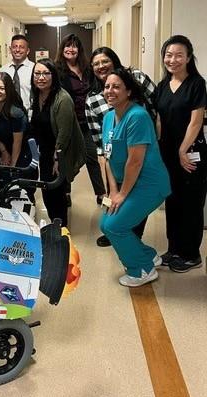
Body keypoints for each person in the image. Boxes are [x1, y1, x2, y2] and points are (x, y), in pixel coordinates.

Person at [100, 68, 171, 287]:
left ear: (129, 91)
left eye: (116, 87)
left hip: (150, 184)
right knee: (106, 223)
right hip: (127, 184)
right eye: (107, 86)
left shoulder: (137, 116)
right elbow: (108, 156)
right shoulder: (109, 117)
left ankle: (142, 270)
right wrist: (113, 191)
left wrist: (122, 194)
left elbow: (135, 161)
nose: (110, 91)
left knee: (114, 225)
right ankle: (148, 255)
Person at [86, 46, 156, 247]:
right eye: (96, 64)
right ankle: (115, 229)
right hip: (114, 157)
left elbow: (157, 101)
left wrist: (157, 123)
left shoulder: (136, 78)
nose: (101, 66)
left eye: (105, 61)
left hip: (142, 150)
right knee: (113, 192)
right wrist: (103, 161)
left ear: (114, 60)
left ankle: (134, 235)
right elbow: (98, 137)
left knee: (137, 194)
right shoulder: (94, 98)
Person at [154, 35, 207, 272]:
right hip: (168, 153)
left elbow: (196, 122)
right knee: (173, 200)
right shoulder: (163, 85)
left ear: (188, 57)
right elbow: (159, 120)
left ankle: (191, 254)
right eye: (168, 55)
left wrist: (183, 150)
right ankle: (174, 248)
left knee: (191, 203)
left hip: (190, 152)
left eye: (178, 55)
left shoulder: (197, 83)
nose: (172, 60)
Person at [30, 58, 86, 227]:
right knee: (47, 191)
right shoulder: (38, 95)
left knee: (56, 193)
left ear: (53, 75)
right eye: (37, 73)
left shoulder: (62, 99)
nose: (41, 77)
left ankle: (61, 231)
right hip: (45, 151)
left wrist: (57, 159)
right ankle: (55, 225)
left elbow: (64, 133)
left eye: (46, 73)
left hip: (59, 152)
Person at [55, 34, 105, 207]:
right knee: (67, 157)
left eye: (74, 46)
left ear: (79, 50)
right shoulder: (58, 70)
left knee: (92, 157)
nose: (71, 49)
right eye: (67, 46)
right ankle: (66, 192)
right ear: (63, 49)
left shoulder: (88, 69)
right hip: (69, 122)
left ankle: (100, 193)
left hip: (88, 122)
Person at [0, 71, 31, 169]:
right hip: (1, 154)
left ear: (8, 90)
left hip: (20, 157)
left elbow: (17, 143)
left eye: (2, 88)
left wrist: (12, 167)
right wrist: (4, 152)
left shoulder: (16, 113)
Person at [0, 34, 34, 112]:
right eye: (15, 47)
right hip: (7, 115)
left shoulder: (34, 69)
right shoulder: (2, 71)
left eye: (21, 47)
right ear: (10, 49)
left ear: (28, 51)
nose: (17, 50)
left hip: (29, 116)